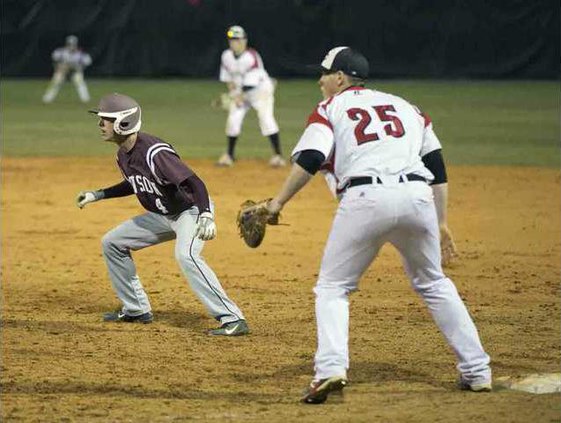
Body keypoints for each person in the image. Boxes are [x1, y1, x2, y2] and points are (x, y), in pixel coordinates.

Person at [265, 47, 492, 403]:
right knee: (433, 282)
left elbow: (310, 158)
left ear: (339, 78)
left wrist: (276, 203)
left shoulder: (329, 108)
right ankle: (478, 371)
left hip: (366, 199)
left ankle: (330, 370)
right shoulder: (406, 106)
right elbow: (437, 166)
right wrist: (442, 221)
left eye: (324, 74)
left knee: (333, 287)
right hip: (418, 198)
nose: (319, 80)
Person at [76, 93, 249, 336]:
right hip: (161, 215)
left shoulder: (155, 153)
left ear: (122, 123)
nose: (100, 125)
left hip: (190, 211)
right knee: (112, 242)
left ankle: (233, 319)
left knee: (186, 255)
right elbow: (135, 183)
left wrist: (205, 215)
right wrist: (99, 194)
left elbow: (195, 183)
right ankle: (136, 309)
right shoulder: (123, 154)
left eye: (105, 119)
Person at [216, 25, 285, 168]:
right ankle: (229, 155)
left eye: (237, 39)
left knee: (266, 119)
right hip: (241, 92)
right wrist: (234, 95)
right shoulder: (226, 56)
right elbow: (228, 79)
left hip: (260, 91)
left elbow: (250, 84)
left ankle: (278, 156)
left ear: (244, 41)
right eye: (232, 39)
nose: (235, 42)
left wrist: (236, 96)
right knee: (233, 120)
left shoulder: (251, 57)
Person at [43, 35, 92, 104]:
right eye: (69, 44)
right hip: (63, 71)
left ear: (76, 45)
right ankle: (47, 99)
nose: (71, 46)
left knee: (79, 81)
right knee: (56, 82)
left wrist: (79, 68)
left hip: (74, 71)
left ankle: (85, 99)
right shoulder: (61, 52)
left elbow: (87, 62)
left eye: (73, 44)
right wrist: (59, 68)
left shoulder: (80, 54)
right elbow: (55, 61)